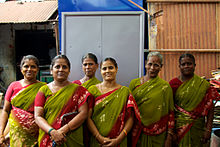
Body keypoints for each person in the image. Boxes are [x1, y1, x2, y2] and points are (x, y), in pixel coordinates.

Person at [34, 55, 90, 147]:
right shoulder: (43, 90)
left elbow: (83, 114)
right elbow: (38, 116)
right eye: (57, 67)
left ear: (69, 71)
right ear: (51, 70)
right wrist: (52, 132)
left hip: (71, 138)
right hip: (49, 137)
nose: (61, 69)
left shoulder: (79, 90)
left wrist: (62, 131)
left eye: (64, 67)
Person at [87, 57, 140, 147]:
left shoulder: (125, 91)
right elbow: (87, 117)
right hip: (97, 141)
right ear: (100, 71)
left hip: (119, 141)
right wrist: (99, 137)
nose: (108, 71)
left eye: (111, 68)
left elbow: (131, 119)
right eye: (104, 68)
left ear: (116, 69)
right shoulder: (92, 90)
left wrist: (118, 140)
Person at [169, 53, 220, 147]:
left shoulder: (203, 85)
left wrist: (208, 130)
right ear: (179, 66)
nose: (186, 66)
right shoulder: (173, 84)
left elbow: (210, 109)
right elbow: (169, 110)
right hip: (178, 131)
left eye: (189, 63)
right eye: (183, 64)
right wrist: (170, 133)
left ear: (195, 65)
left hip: (198, 129)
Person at [129, 52, 174, 147]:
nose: (152, 68)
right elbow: (129, 109)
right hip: (138, 131)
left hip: (158, 133)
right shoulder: (134, 83)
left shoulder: (165, 87)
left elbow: (170, 113)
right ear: (145, 64)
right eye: (150, 64)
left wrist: (169, 136)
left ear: (161, 67)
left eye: (156, 65)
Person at [0, 55, 46, 146]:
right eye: (26, 66)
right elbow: (5, 110)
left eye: (33, 66)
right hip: (16, 133)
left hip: (36, 133)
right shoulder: (13, 86)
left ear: (37, 69)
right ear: (21, 69)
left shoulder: (43, 87)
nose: (29, 69)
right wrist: (1, 133)